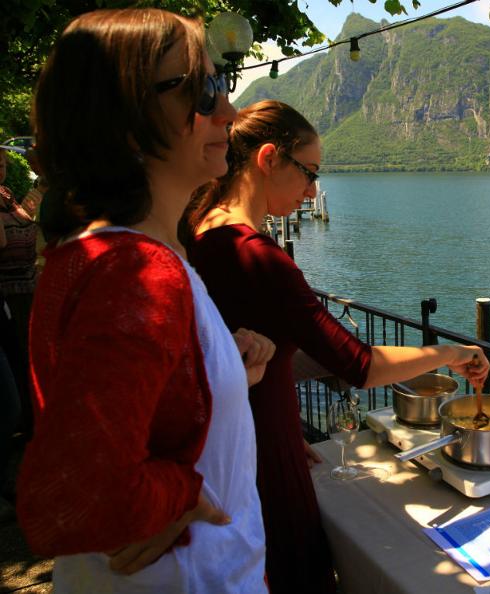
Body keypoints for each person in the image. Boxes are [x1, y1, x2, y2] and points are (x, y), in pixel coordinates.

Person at [181, 99, 490, 594]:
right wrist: (453, 353)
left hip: (236, 444)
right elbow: (360, 365)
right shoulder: (259, 257)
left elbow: (242, 355)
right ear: (268, 159)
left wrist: (283, 425)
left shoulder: (200, 230)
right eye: (309, 173)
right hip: (260, 464)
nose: (312, 191)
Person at [16, 9, 275, 593]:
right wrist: (181, 496)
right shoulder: (136, 273)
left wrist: (217, 369)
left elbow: (131, 406)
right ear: (126, 120)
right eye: (200, 91)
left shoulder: (99, 255)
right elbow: (73, 502)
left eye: (221, 84)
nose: (228, 111)